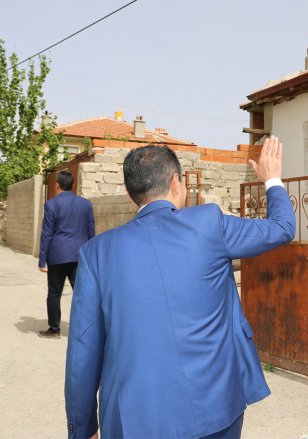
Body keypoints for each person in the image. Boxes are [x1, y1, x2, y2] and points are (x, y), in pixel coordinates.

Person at [64, 136, 295, 439]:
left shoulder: (97, 253)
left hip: (135, 419)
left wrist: (82, 429)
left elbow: (82, 349)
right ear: (176, 182)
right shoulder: (209, 223)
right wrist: (272, 178)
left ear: (131, 195)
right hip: (217, 406)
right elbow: (282, 227)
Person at [37, 170, 95, 338]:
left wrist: (42, 260)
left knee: (54, 293)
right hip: (79, 255)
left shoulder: (51, 204)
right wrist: (92, 254)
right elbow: (91, 230)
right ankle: (87, 330)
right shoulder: (86, 204)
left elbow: (47, 234)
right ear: (73, 185)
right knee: (82, 293)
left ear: (57, 185)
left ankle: (54, 329)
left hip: (57, 255)